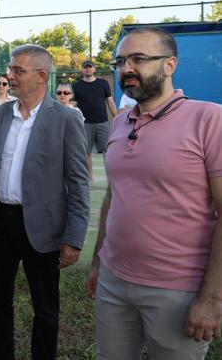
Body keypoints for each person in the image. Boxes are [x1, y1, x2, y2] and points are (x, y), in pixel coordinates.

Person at [86, 27, 222, 359]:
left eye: (139, 59)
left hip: (178, 289)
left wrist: (212, 297)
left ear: (170, 65)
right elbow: (113, 196)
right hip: (114, 280)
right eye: (120, 61)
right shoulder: (120, 123)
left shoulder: (209, 119)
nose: (126, 68)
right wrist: (97, 261)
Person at [0, 44, 89, 360]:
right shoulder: (0, 115)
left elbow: (78, 182)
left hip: (44, 228)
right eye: (10, 70)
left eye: (17, 71)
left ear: (41, 76)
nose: (10, 77)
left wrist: (73, 238)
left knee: (46, 309)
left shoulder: (65, 119)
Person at [72, 60, 117, 181]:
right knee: (86, 153)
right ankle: (90, 179)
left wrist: (117, 118)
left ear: (94, 69)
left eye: (90, 67)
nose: (88, 69)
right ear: (82, 69)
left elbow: (110, 101)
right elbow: (74, 105)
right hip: (84, 124)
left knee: (107, 152)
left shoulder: (103, 83)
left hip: (102, 122)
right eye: (85, 67)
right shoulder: (76, 86)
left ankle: (110, 180)